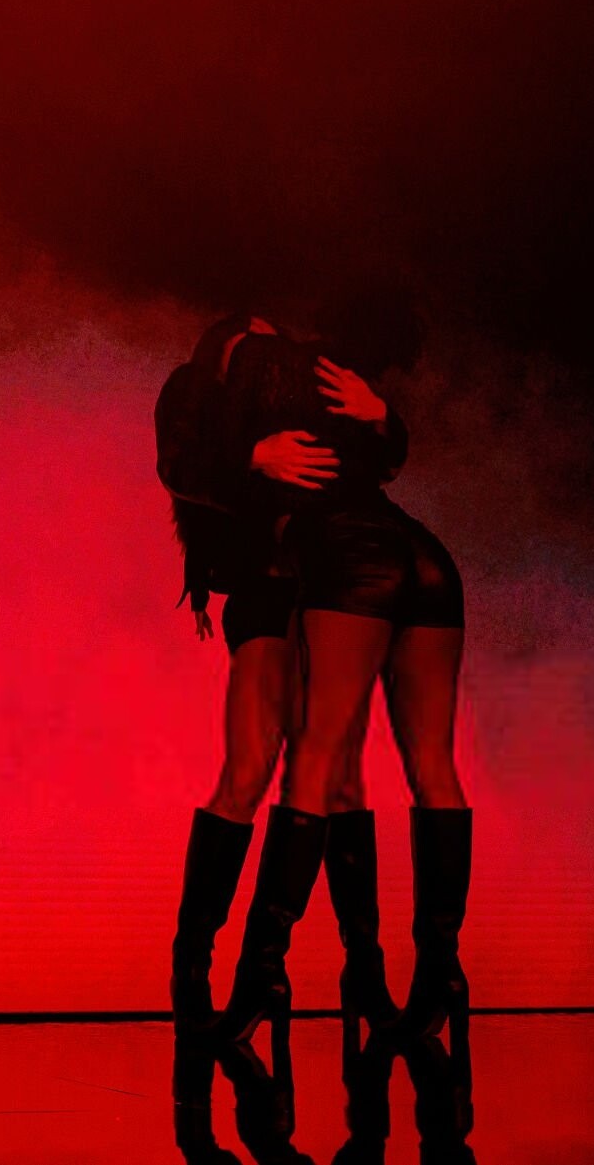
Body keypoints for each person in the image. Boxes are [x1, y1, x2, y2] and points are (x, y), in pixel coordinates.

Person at [209, 297, 471, 1046]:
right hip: (425, 557)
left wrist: (252, 453)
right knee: (434, 767)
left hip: (353, 559)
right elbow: (382, 455)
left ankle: (261, 972)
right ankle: (442, 973)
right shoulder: (325, 393)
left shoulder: (250, 404)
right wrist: (381, 413)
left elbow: (206, 473)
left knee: (315, 764)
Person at [156, 314, 411, 1038]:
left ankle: (361, 970)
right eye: (247, 347)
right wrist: (251, 457)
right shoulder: (194, 392)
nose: (264, 357)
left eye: (272, 346)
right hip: (264, 591)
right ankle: (193, 963)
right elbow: (179, 466)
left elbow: (367, 468)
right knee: (249, 768)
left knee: (341, 775)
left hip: (325, 588)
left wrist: (380, 416)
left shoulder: (296, 392)